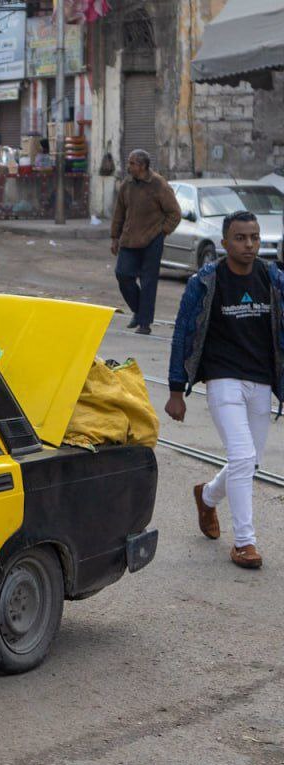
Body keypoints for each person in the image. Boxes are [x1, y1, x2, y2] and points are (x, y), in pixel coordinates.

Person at [166, 210, 284, 570]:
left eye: (254, 237)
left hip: (261, 379)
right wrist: (175, 390)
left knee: (248, 461)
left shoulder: (272, 278)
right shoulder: (205, 282)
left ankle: (208, 495)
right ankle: (245, 543)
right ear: (224, 243)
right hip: (222, 378)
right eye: (240, 238)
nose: (249, 245)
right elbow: (183, 333)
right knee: (243, 457)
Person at [110, 149, 180, 335]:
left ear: (142, 166)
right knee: (123, 275)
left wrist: (162, 232)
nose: (128, 166)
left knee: (148, 282)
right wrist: (114, 237)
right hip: (129, 239)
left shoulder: (159, 185)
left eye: (132, 163)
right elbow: (119, 212)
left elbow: (175, 213)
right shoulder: (127, 185)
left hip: (152, 240)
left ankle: (145, 323)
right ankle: (139, 311)